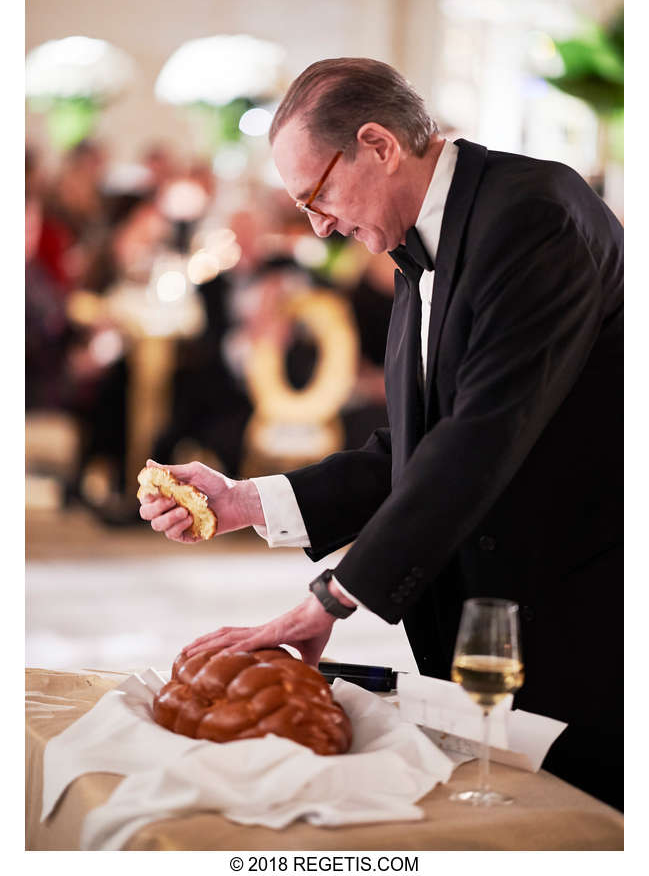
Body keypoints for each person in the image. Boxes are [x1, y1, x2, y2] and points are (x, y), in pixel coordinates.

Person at [140, 58, 623, 810]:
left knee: (586, 824)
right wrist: (245, 501)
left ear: (378, 144)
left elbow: (481, 435)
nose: (317, 225)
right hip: (482, 614)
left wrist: (334, 596)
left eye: (317, 194)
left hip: (577, 611)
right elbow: (409, 445)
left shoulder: (533, 214)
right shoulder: (417, 241)